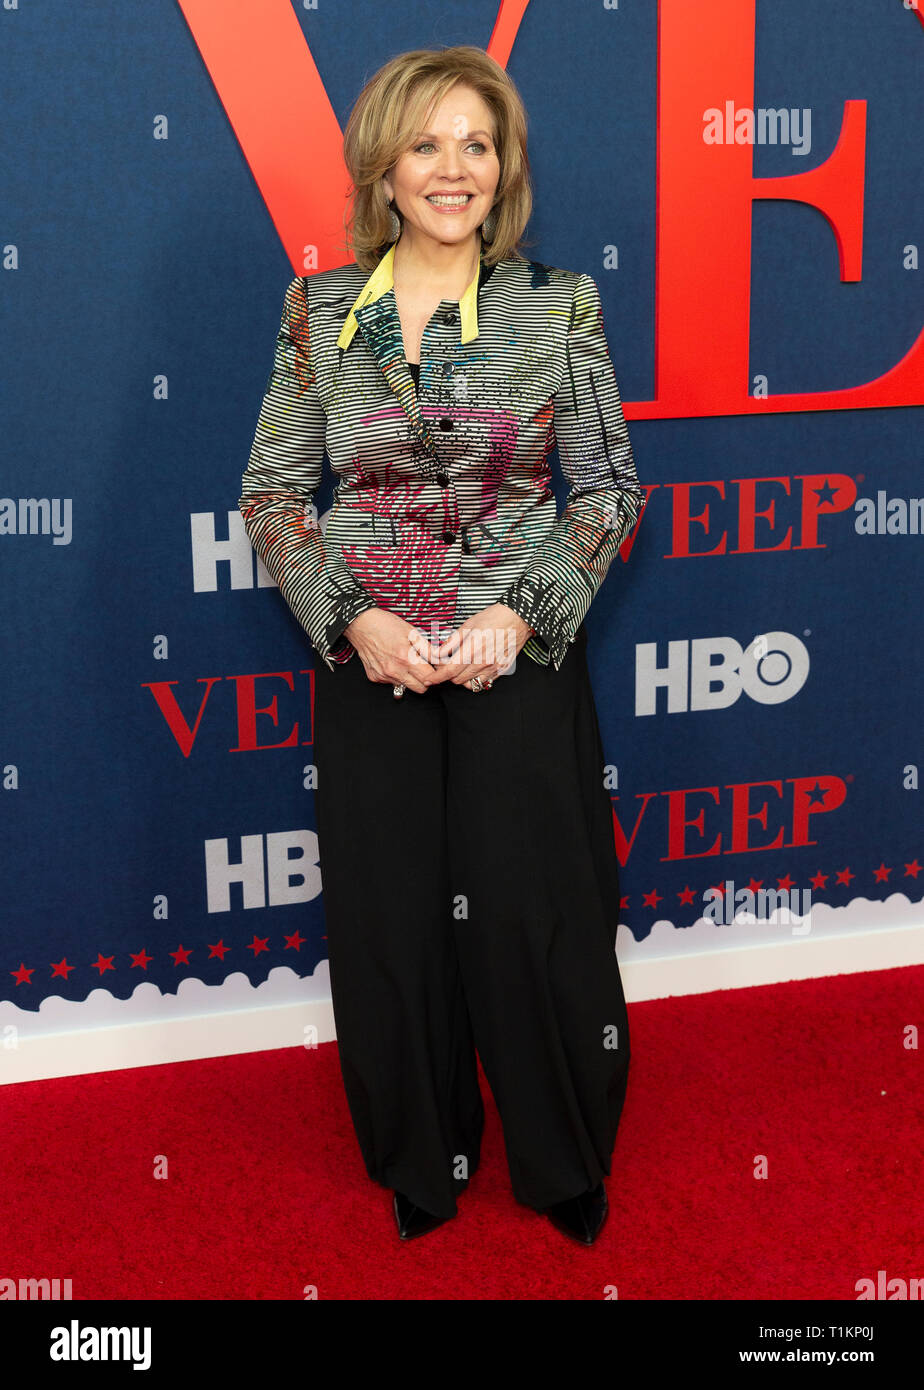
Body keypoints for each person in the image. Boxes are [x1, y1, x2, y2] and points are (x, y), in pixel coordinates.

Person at [238, 44, 644, 1245]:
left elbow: (609, 489)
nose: (453, 168)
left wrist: (520, 613)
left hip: (516, 649)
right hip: (376, 658)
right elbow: (269, 494)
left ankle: (563, 1150)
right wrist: (353, 619)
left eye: (477, 143)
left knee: (536, 908)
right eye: (427, 143)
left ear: (504, 165)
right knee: (391, 915)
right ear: (384, 166)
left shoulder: (557, 302)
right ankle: (425, 1151)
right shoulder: (317, 311)